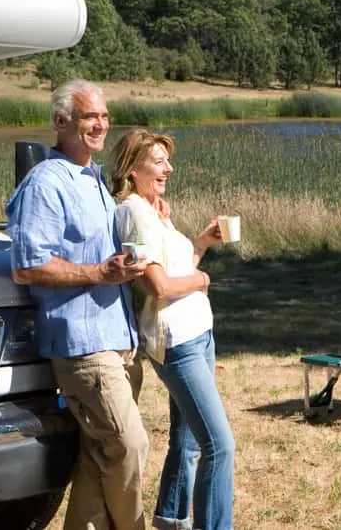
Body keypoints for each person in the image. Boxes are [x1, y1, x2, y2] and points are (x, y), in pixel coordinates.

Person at [5, 79, 151, 530]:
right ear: (60, 121)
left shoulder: (94, 181)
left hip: (117, 339)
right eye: (91, 117)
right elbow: (27, 267)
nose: (101, 125)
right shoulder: (46, 183)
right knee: (129, 445)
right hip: (83, 348)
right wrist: (99, 274)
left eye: (104, 117)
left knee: (98, 455)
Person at [110, 128, 235, 530]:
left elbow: (175, 267)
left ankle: (170, 518)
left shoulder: (153, 210)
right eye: (159, 160)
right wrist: (203, 281)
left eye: (168, 159)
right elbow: (158, 286)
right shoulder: (133, 213)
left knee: (188, 439)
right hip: (178, 342)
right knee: (220, 445)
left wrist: (200, 243)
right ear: (133, 168)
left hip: (198, 333)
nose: (169, 167)